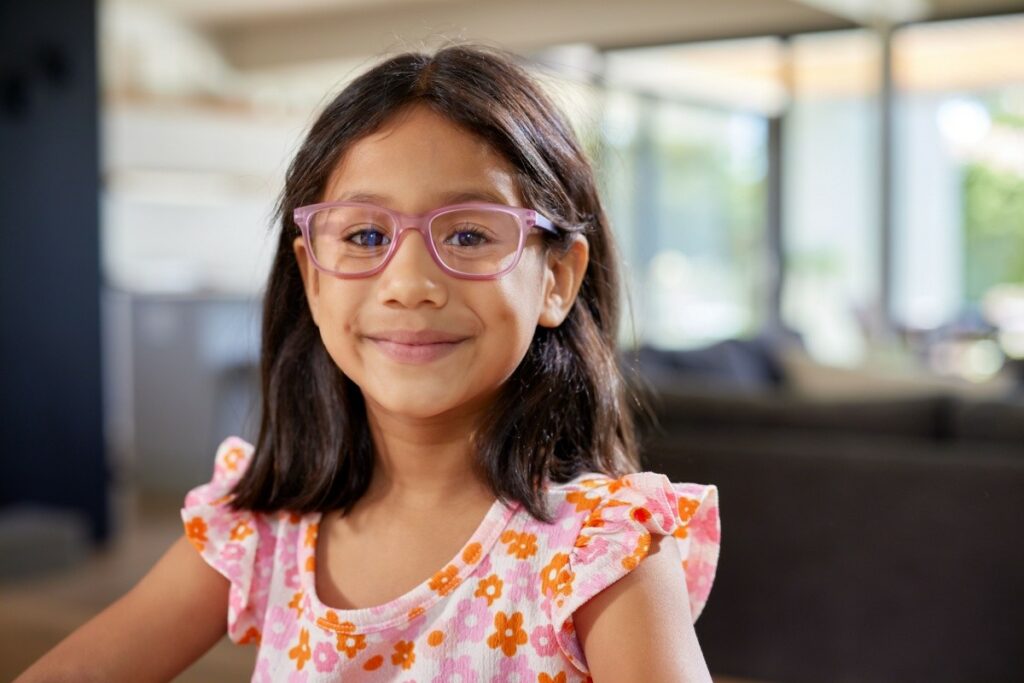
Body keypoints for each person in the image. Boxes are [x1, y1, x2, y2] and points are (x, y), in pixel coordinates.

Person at [17, 44, 720, 682]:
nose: (408, 281)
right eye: (364, 233)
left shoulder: (603, 551)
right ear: (313, 276)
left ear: (557, 278)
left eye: (470, 233)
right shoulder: (266, 526)